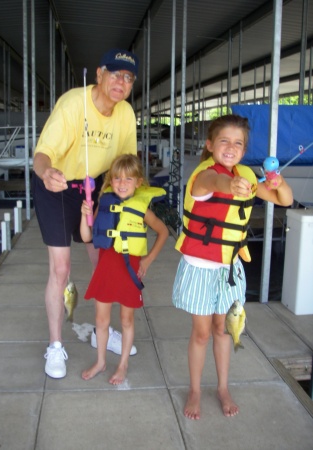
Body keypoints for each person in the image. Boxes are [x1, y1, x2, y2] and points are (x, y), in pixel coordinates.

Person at [172, 114, 293, 420]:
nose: (231, 147)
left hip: (229, 268)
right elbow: (218, 182)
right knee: (201, 334)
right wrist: (233, 183)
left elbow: (284, 200)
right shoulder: (204, 176)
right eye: (224, 140)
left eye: (238, 143)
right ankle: (196, 390)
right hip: (200, 267)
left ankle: (223, 387)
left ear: (244, 150)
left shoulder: (248, 176)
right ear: (210, 144)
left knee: (223, 331)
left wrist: (278, 181)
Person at [32, 48, 139, 379]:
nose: (121, 82)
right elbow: (41, 156)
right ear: (99, 74)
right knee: (61, 269)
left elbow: (127, 165)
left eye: (128, 77)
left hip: (98, 190)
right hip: (58, 186)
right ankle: (55, 344)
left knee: (104, 264)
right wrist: (47, 173)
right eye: (115, 74)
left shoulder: (125, 114)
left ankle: (101, 331)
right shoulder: (71, 103)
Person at [80, 154, 169, 385]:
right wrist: (85, 216)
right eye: (117, 178)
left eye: (128, 179)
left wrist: (147, 261)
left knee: (127, 319)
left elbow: (163, 232)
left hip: (129, 270)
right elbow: (87, 237)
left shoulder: (142, 209)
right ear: (110, 181)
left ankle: (122, 364)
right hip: (106, 270)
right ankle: (100, 362)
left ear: (138, 182)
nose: (121, 183)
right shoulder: (104, 204)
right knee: (101, 320)